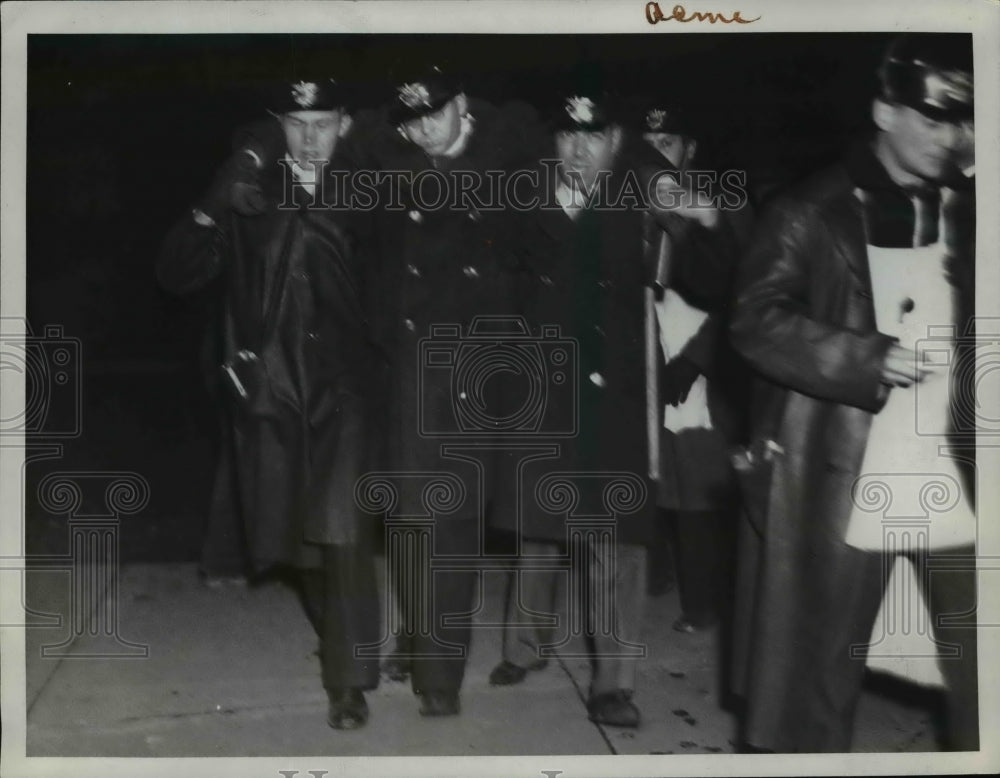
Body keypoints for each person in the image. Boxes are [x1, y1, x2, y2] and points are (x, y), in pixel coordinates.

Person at [729, 33, 977, 752]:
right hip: (849, 466)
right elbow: (753, 320)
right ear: (883, 111)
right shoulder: (810, 207)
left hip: (957, 468)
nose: (948, 136)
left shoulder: (969, 202)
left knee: (982, 669)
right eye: (931, 118)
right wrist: (865, 357)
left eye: (960, 121)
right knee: (819, 676)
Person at [157, 77, 383, 730]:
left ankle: (347, 683)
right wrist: (212, 204)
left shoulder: (374, 190)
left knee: (341, 534)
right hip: (273, 391)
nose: (310, 138)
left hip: (349, 393)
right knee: (300, 540)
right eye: (295, 123)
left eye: (323, 123)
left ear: (345, 124)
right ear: (278, 126)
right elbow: (174, 273)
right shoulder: (253, 193)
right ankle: (341, 642)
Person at [630, 100, 748, 631]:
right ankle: (655, 577)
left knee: (699, 479)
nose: (657, 155)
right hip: (649, 351)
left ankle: (704, 602)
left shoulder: (719, 206)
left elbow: (743, 294)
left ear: (690, 150)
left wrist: (696, 360)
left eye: (668, 145)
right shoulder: (630, 203)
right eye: (648, 146)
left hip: (700, 361)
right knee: (653, 474)